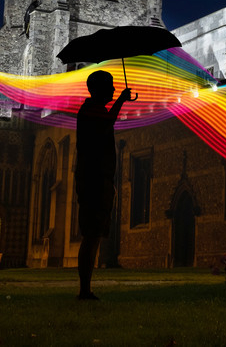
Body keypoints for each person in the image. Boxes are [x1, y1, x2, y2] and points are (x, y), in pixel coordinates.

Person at [75, 70, 131, 300]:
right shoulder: (91, 110)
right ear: (98, 89)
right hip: (94, 179)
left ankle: (85, 288)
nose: (114, 89)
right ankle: (84, 290)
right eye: (110, 86)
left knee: (94, 234)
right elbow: (105, 125)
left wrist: (120, 101)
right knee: (92, 234)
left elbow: (107, 122)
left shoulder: (94, 109)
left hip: (98, 178)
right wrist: (121, 100)